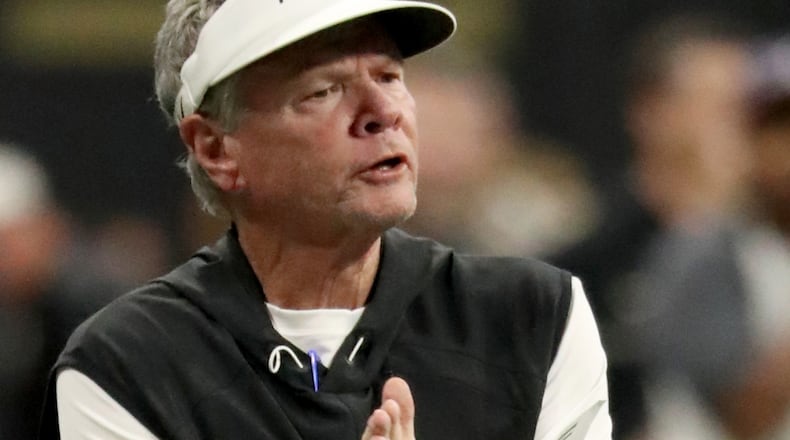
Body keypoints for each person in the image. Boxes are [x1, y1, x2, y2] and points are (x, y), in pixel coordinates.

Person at [39, 0, 611, 438]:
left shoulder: (534, 318)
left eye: (389, 76)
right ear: (216, 149)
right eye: (324, 89)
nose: (382, 113)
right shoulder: (128, 365)